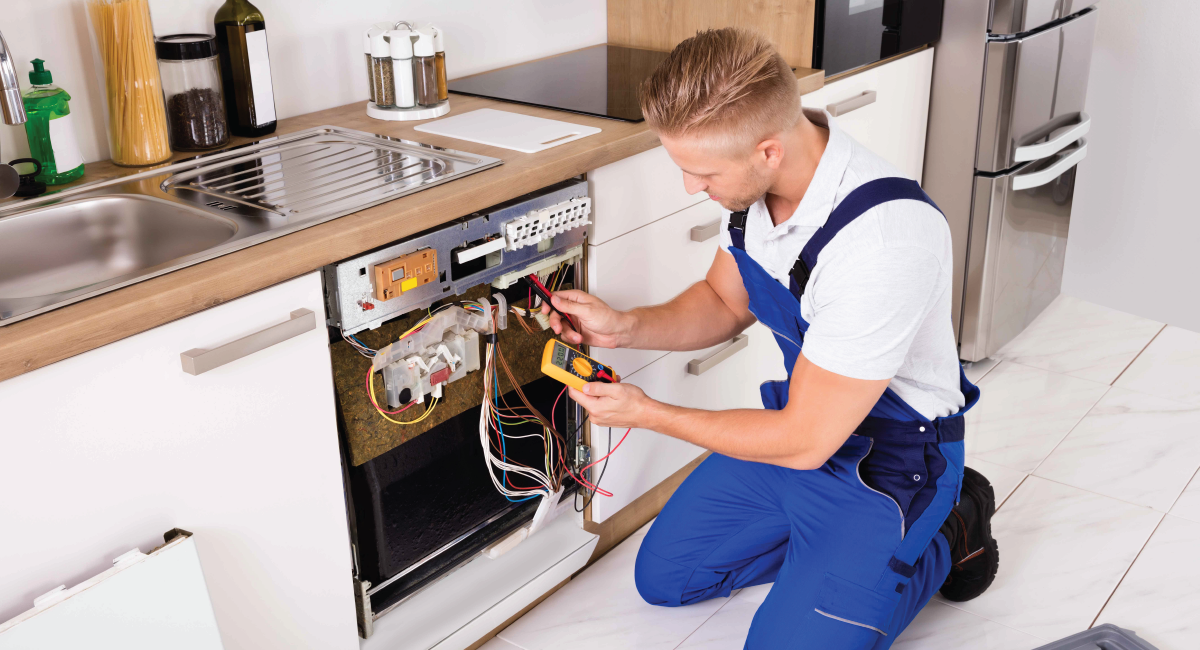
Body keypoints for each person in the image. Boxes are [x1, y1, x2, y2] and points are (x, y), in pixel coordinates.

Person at [542, 28, 999, 649]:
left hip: (889, 467)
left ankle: (951, 528)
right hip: (803, 433)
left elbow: (807, 441)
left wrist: (647, 413)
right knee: (666, 578)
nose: (690, 188)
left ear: (767, 151)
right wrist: (625, 328)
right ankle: (831, 566)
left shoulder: (883, 241)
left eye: (701, 173)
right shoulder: (760, 193)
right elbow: (724, 301)